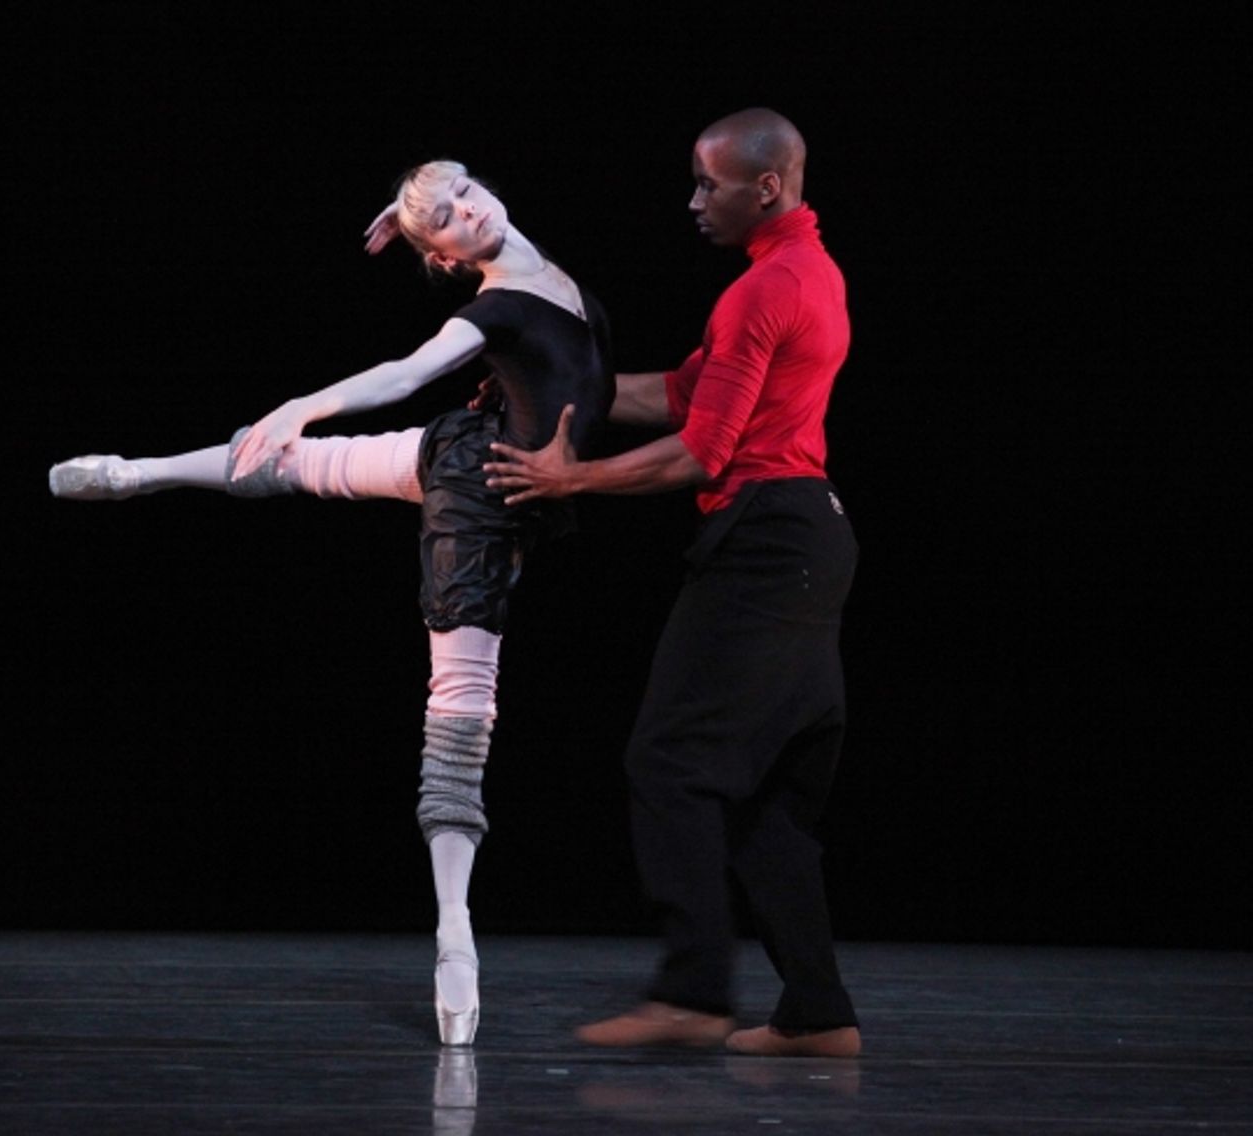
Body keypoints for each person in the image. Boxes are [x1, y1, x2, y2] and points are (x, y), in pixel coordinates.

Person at [47, 159, 615, 1047]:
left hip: (463, 446)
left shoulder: (536, 269)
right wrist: (305, 402)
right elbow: (406, 370)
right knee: (462, 714)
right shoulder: (493, 304)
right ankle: (455, 936)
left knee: (305, 471)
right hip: (480, 497)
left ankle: (139, 473)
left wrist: (411, 210)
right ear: (447, 260)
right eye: (452, 225)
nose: (472, 213)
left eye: (468, 196)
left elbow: (529, 318)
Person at [484, 108, 862, 1058]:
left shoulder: (762, 290)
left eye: (709, 184)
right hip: (812, 539)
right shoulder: (804, 274)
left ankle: (694, 993)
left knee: (671, 761)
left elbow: (701, 452)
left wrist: (569, 478)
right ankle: (818, 1013)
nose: (695, 202)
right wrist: (547, 379)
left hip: (769, 543)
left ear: (764, 187)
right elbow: (686, 394)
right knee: (767, 791)